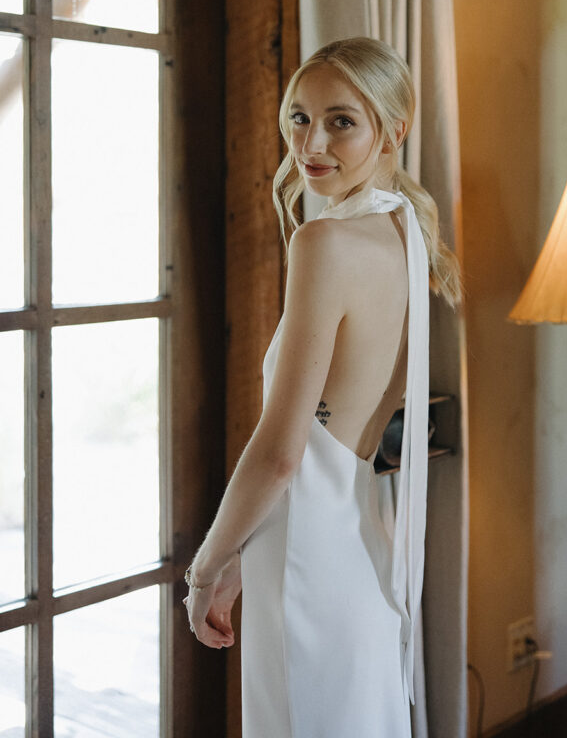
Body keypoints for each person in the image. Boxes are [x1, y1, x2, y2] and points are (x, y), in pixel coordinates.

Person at [183, 37, 460, 737]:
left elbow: (283, 450)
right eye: (299, 118)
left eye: (341, 120)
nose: (311, 142)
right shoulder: (402, 230)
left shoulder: (323, 243)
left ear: (392, 129)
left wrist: (205, 569)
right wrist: (251, 552)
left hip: (308, 563)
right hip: (352, 556)